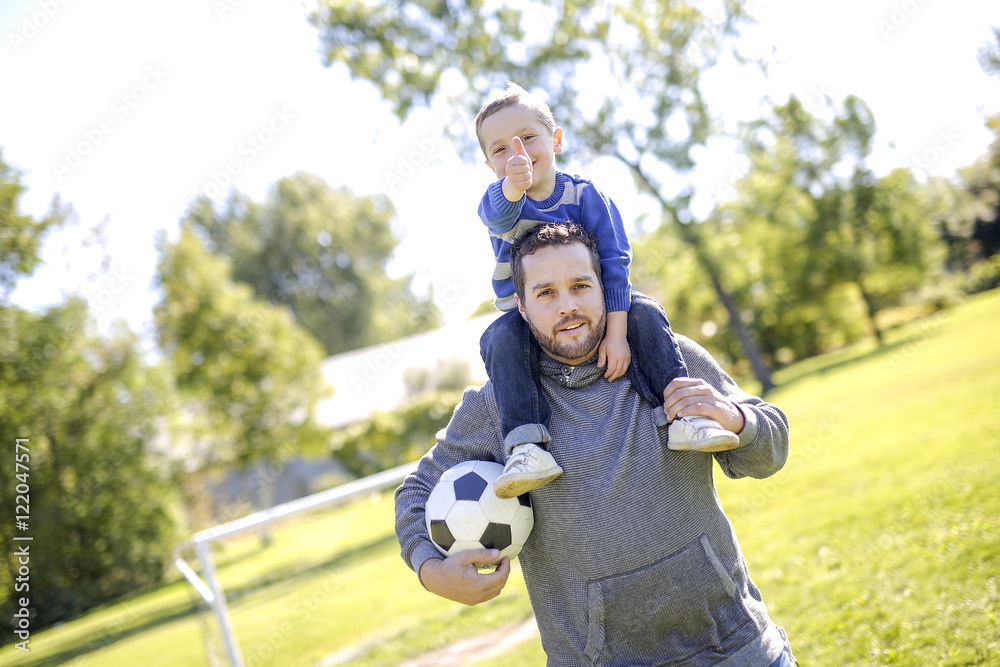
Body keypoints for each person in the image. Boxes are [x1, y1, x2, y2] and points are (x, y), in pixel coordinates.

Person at [395, 223, 797, 666]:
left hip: (738, 649)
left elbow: (771, 451)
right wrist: (432, 573)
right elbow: (415, 494)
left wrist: (736, 418)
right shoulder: (497, 408)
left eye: (580, 286)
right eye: (546, 293)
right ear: (522, 309)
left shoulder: (669, 359)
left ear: (606, 287)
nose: (567, 306)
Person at [474, 82, 738, 500]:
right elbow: (496, 213)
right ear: (489, 164)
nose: (518, 154)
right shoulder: (500, 201)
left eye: (527, 138)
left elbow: (615, 265)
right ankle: (527, 445)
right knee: (498, 337)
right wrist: (511, 187)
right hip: (527, 320)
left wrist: (616, 334)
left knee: (646, 312)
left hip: (598, 310)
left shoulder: (587, 195)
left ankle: (685, 416)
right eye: (501, 149)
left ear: (556, 140)